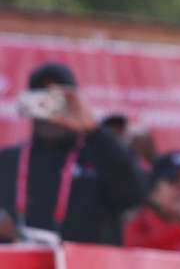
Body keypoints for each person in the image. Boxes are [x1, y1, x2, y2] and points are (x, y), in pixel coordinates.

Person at [0, 62, 142, 245]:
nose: (50, 110)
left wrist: (93, 130)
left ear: (74, 102)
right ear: (27, 104)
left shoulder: (100, 155)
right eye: (41, 100)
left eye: (58, 100)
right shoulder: (8, 161)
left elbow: (134, 196)